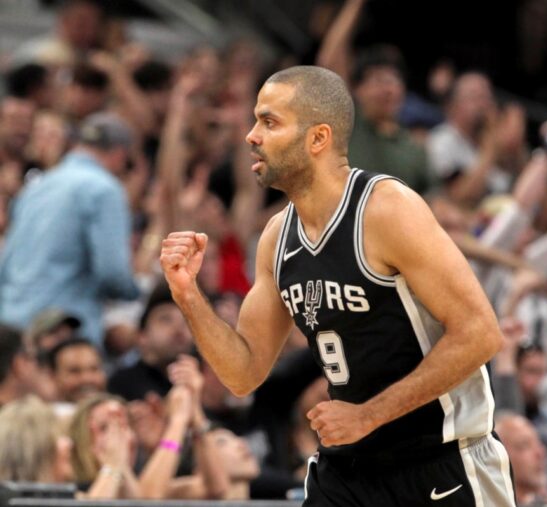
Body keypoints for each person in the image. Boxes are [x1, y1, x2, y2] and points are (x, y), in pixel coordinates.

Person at [160, 65, 511, 506]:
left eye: (269, 122)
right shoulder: (276, 238)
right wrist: (189, 297)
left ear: (318, 138)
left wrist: (369, 415)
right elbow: (243, 374)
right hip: (347, 468)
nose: (251, 135)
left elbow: (480, 333)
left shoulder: (386, 209)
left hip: (440, 458)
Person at [0, 112, 140, 345]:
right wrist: (137, 295)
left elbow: (6, 262)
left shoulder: (38, 185)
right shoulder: (105, 189)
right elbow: (112, 272)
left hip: (11, 322)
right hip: (60, 332)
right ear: (119, 154)